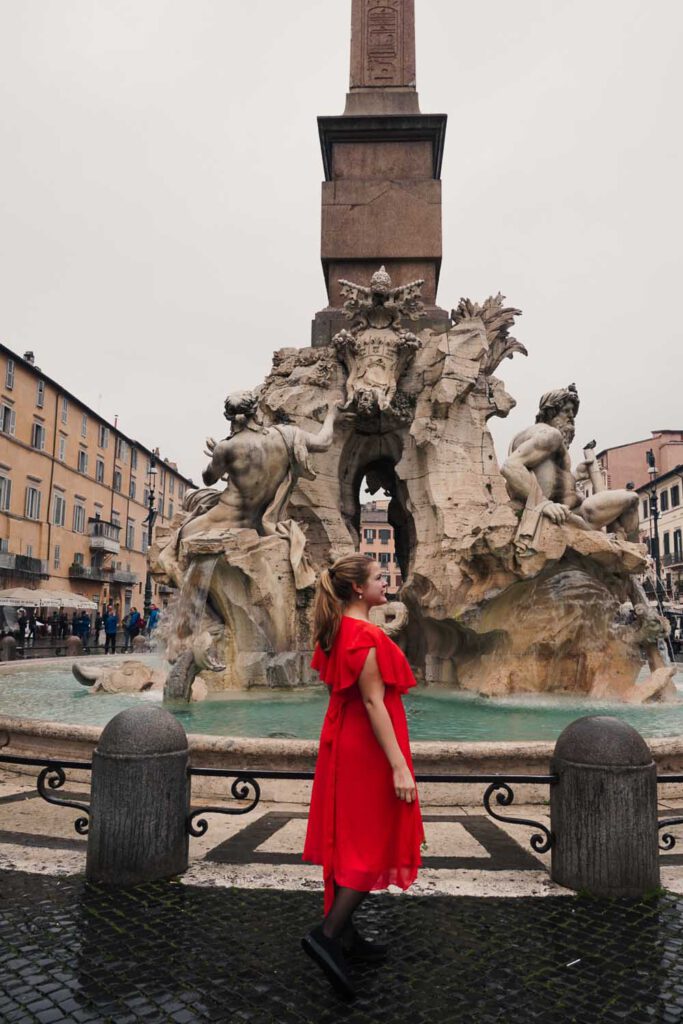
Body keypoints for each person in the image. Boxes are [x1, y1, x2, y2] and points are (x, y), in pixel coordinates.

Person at [301, 554, 424, 1001]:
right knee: (372, 842)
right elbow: (374, 704)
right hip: (368, 752)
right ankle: (327, 934)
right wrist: (398, 766)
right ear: (357, 589)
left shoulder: (337, 632)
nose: (386, 582)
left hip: (341, 743)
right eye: (378, 578)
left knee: (345, 837)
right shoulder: (367, 636)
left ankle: (347, 936)